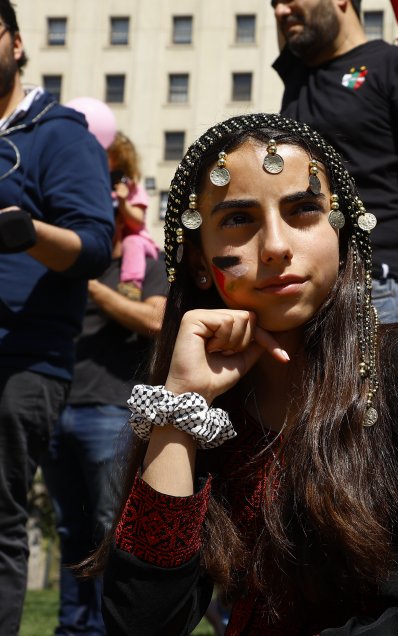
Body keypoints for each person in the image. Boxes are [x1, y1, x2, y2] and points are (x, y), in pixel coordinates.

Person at [87, 113, 398, 635]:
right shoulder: (211, 404)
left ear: (341, 233)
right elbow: (141, 624)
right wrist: (180, 408)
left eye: (303, 211)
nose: (275, 245)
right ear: (200, 261)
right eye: (238, 218)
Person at [0, 1, 114, 632]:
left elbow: (93, 246)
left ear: (16, 43)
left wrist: (24, 231)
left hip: (21, 360)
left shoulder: (58, 133)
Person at [272, 0, 398, 324]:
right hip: (302, 285)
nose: (279, 11)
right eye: (273, 4)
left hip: (376, 286)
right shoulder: (298, 79)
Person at [41, 186, 167, 633]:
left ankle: (108, 626)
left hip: (111, 412)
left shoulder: (146, 262)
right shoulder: (59, 265)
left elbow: (157, 320)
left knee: (109, 529)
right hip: (56, 410)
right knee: (70, 531)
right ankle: (73, 628)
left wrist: (92, 285)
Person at [107, 131, 159, 300]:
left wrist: (123, 203)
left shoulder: (133, 189)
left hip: (138, 242)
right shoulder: (103, 188)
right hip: (114, 244)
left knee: (132, 242)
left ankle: (131, 285)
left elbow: (137, 221)